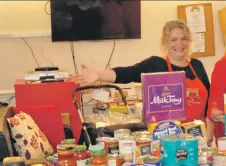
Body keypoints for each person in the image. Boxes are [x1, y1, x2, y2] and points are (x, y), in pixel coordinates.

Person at [74, 20, 210, 122]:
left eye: (183, 39)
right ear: (165, 43)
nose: (179, 44)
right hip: (168, 136)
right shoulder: (156, 64)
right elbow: (126, 73)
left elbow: (209, 102)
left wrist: (209, 133)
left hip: (198, 135)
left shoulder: (197, 65)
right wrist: (99, 74)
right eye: (173, 40)